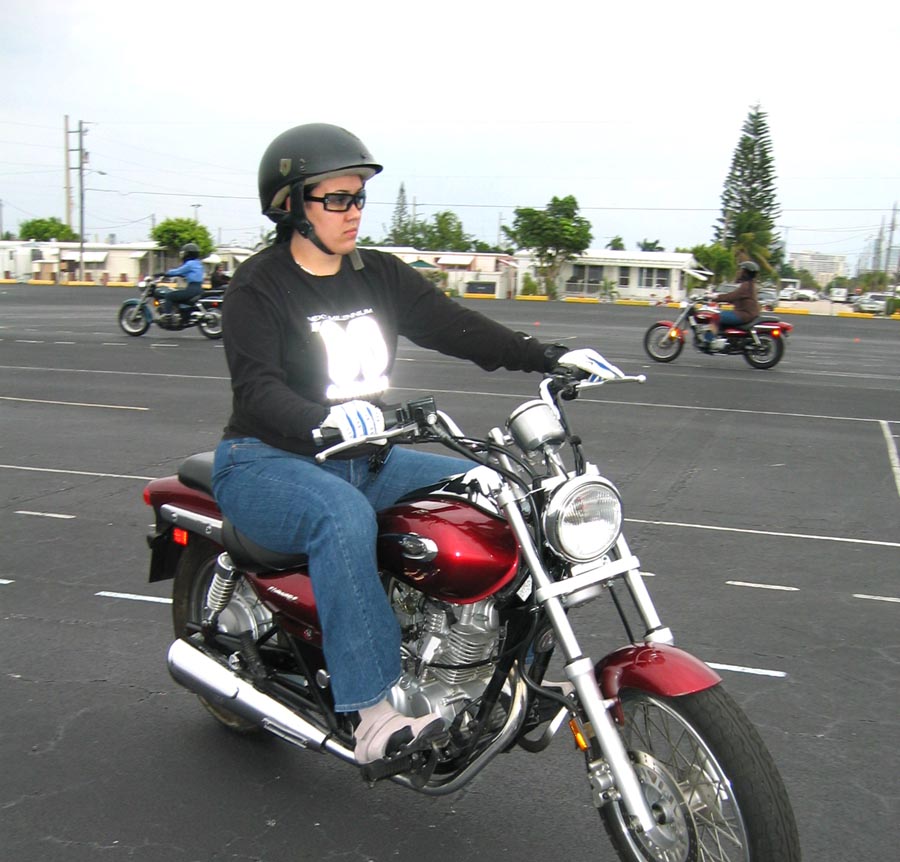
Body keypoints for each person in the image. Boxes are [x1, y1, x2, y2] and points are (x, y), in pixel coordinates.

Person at [212, 122, 625, 765]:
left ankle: (499, 667)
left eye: (358, 197)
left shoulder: (376, 274)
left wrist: (549, 355)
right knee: (341, 516)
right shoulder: (259, 286)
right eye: (337, 199)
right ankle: (372, 712)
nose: (354, 212)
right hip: (267, 460)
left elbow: (456, 327)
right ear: (291, 205)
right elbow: (257, 387)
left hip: (364, 458)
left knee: (501, 490)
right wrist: (322, 419)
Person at [703, 261, 761, 350]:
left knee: (716, 316)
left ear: (746, 272)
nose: (739, 272)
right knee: (723, 315)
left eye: (741, 270)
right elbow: (738, 299)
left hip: (744, 314)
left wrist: (714, 297)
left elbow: (732, 296)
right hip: (745, 313)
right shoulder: (750, 285)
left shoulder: (746, 286)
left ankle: (708, 341)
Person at [161, 243, 205, 317]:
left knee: (169, 296)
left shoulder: (190, 264)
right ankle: (181, 315)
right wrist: (181, 275)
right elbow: (186, 274)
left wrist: (165, 273)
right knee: (180, 299)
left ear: (188, 254)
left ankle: (167, 316)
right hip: (199, 289)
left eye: (184, 253)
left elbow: (178, 271)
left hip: (192, 290)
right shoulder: (198, 263)